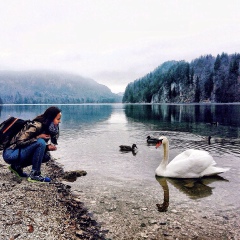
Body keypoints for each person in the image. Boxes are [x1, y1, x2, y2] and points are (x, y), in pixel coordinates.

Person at [3, 106, 61, 183]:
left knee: (46, 156)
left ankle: (16, 167)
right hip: (10, 153)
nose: (59, 121)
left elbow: (35, 147)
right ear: (51, 118)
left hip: (18, 152)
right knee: (40, 142)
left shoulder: (49, 127)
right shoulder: (37, 125)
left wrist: (47, 147)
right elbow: (19, 142)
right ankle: (35, 174)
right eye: (58, 119)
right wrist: (37, 137)